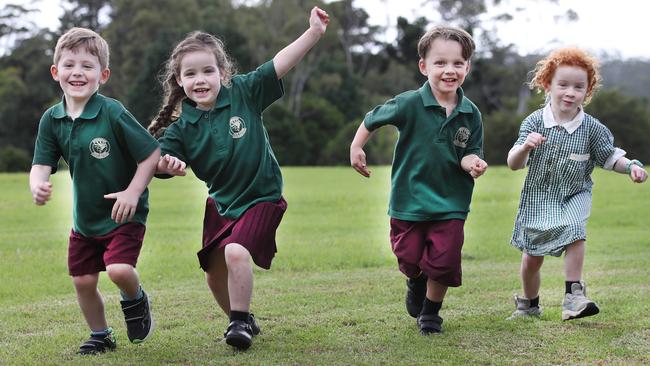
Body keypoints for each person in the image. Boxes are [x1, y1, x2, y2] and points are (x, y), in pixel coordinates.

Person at [148, 7, 329, 350]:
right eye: (191, 74)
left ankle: (239, 323)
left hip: (262, 197)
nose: (200, 79)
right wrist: (165, 165)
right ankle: (241, 316)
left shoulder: (245, 93)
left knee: (235, 252)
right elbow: (156, 159)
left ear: (223, 72)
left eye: (208, 71)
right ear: (179, 81)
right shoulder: (183, 128)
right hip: (222, 204)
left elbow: (281, 62)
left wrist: (314, 33)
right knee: (214, 274)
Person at [349, 26, 487, 335]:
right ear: (424, 66)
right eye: (440, 63)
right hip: (408, 199)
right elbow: (372, 119)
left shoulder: (470, 113)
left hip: (451, 201)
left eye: (457, 63)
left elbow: (468, 152)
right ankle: (415, 279)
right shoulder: (409, 103)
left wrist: (473, 163)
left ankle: (431, 313)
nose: (449, 70)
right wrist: (357, 146)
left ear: (467, 67)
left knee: (444, 260)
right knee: (409, 256)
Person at [29, 27, 159, 355]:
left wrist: (132, 192)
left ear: (102, 75)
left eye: (87, 66)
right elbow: (41, 163)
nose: (78, 72)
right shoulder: (52, 119)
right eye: (70, 65)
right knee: (83, 282)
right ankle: (101, 334)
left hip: (123, 212)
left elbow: (150, 154)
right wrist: (37, 184)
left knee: (118, 270)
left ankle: (136, 300)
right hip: (85, 220)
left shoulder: (112, 111)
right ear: (56, 72)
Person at [506, 47, 648, 321]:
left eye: (578, 86)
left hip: (575, 193)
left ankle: (574, 296)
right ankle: (529, 304)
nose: (570, 92)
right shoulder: (534, 122)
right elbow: (513, 163)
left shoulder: (592, 128)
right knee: (532, 259)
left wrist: (630, 166)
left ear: (588, 90)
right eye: (563, 85)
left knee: (575, 229)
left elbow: (609, 157)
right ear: (547, 84)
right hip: (539, 197)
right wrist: (525, 146)